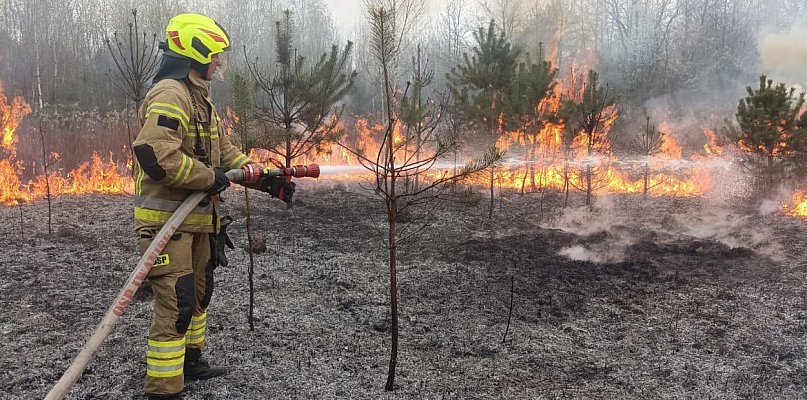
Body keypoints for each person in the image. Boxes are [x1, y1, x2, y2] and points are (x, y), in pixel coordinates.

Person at [132, 13, 292, 399]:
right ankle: (163, 389)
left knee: (200, 293)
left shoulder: (200, 99)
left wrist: (256, 173)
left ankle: (190, 362)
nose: (219, 62)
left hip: (199, 220)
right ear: (195, 52)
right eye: (215, 55)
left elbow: (223, 152)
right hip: (168, 222)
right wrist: (210, 177)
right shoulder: (171, 94)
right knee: (178, 301)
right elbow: (155, 154)